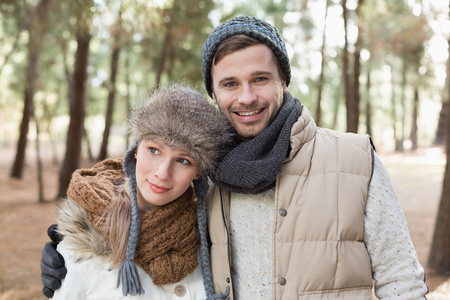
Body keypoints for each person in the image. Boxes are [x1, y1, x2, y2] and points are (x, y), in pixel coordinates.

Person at [41, 16, 428, 299]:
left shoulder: (354, 159)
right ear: (214, 93)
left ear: (283, 81)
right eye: (230, 84)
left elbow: (403, 282)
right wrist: (73, 241)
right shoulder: (203, 174)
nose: (245, 97)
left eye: (259, 78)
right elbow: (144, 202)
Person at [44, 83, 235, 299]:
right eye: (154, 150)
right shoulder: (83, 243)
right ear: (135, 150)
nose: (163, 173)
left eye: (183, 160)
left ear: (198, 172)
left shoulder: (212, 233)